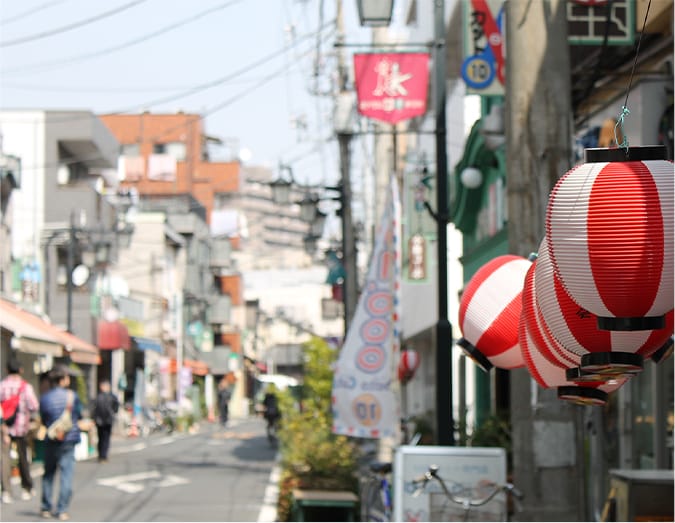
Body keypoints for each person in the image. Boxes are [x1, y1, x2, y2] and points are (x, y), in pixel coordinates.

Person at [39, 364, 82, 521]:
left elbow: (43, 418)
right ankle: (62, 509)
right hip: (69, 439)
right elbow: (78, 415)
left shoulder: (45, 398)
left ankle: (46, 507)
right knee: (66, 474)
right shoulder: (72, 396)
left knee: (49, 473)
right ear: (63, 380)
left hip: (51, 438)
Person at [0, 357, 39, 504]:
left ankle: (6, 491)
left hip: (4, 428)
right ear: (21, 370)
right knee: (23, 457)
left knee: (5, 459)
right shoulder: (25, 387)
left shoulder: (2, 385)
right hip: (21, 427)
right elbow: (34, 405)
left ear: (6, 370)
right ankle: (26, 488)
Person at [92, 381, 119, 463]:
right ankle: (103, 455)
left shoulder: (98, 396)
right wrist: (113, 413)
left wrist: (94, 418)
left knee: (102, 438)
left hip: (100, 421)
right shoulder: (111, 396)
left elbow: (93, 409)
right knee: (105, 438)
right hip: (107, 420)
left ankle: (102, 455)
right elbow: (116, 407)